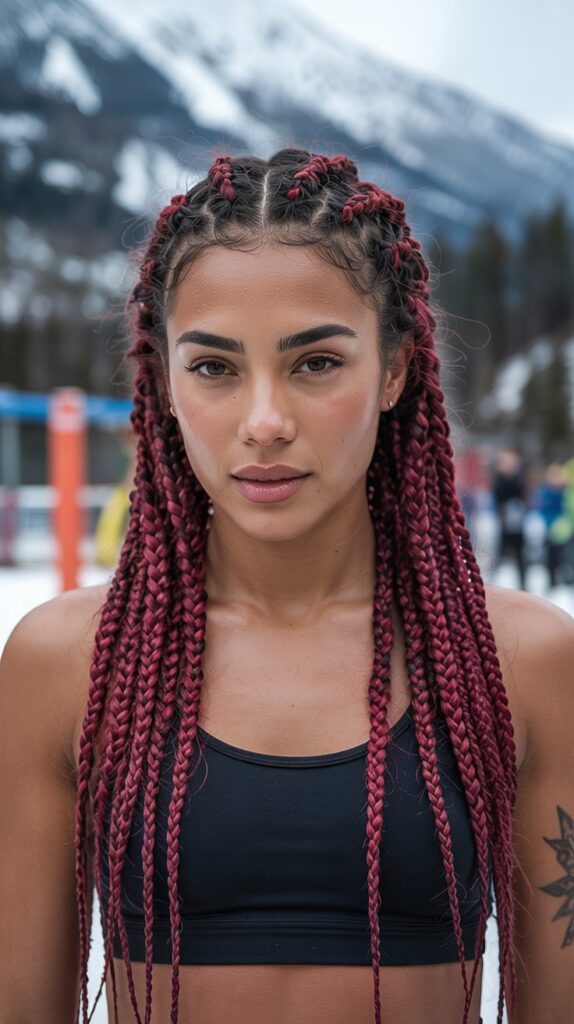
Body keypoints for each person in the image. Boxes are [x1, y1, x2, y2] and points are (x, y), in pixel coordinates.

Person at [1, 149, 573, 1024]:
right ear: (161, 383)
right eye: (214, 368)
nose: (264, 422)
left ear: (394, 371)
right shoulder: (66, 665)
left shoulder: (520, 663)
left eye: (315, 364)